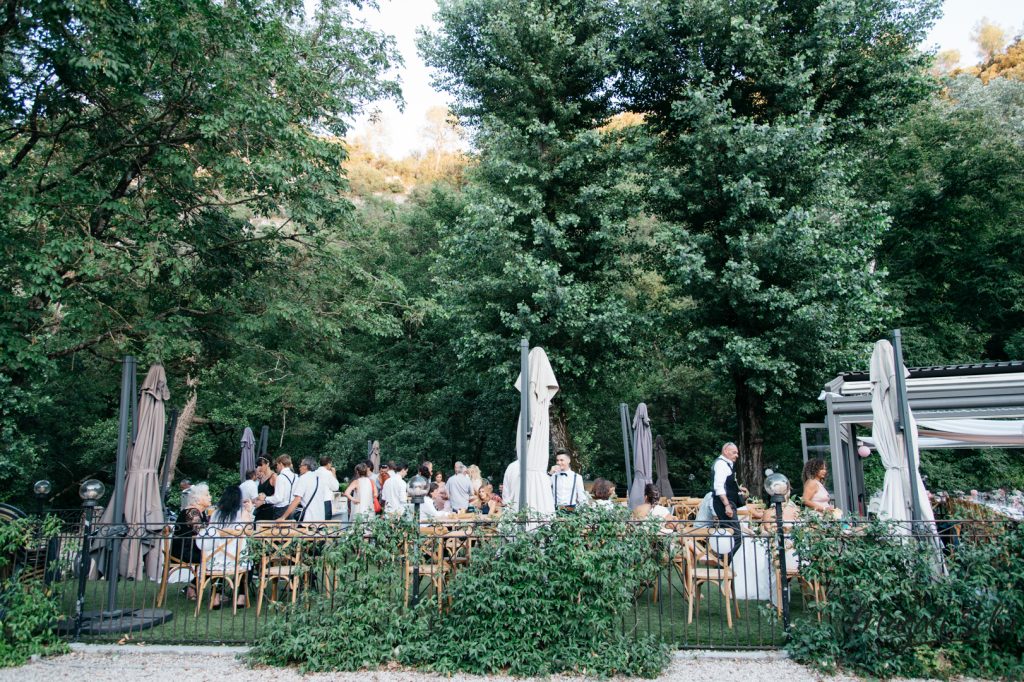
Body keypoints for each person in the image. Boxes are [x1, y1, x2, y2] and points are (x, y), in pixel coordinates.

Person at [196, 485, 252, 609]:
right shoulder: (242, 513)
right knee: (249, 561)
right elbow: (249, 532)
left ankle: (216, 596)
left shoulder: (215, 514)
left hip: (214, 560)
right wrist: (249, 511)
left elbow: (210, 533)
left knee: (218, 561)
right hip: (236, 560)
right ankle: (241, 597)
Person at [171, 482, 211, 599]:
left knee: (216, 558)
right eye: (207, 495)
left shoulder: (199, 512)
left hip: (193, 548)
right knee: (215, 560)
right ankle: (198, 588)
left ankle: (195, 587)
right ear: (198, 499)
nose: (210, 497)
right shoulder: (192, 512)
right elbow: (201, 532)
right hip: (184, 550)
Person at [711, 442, 746, 562]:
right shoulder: (721, 464)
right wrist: (727, 505)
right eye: (734, 452)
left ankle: (726, 562)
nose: (737, 455)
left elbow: (725, 485)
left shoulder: (726, 464)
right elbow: (719, 487)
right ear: (725, 451)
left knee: (728, 535)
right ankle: (724, 563)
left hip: (727, 503)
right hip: (724, 504)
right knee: (736, 536)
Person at [278, 457, 327, 523]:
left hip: (308, 519)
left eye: (300, 465)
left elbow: (297, 500)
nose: (299, 468)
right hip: (320, 519)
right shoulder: (319, 478)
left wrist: (283, 517)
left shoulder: (304, 478)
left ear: (306, 466)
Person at [255, 454, 296, 520]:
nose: (276, 467)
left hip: (276, 509)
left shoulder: (278, 477)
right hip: (290, 509)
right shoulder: (295, 476)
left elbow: (278, 497)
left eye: (261, 465)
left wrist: (264, 499)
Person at [315, 455, 341, 520]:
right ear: (328, 463)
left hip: (316, 501)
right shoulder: (328, 473)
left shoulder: (315, 472)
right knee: (326, 523)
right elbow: (335, 487)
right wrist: (334, 474)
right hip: (326, 500)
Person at [253, 457, 277, 522]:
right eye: (258, 465)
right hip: (260, 509)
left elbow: (277, 495)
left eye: (261, 465)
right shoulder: (261, 477)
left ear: (267, 464)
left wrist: (264, 500)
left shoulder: (274, 476)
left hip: (270, 510)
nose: (259, 467)